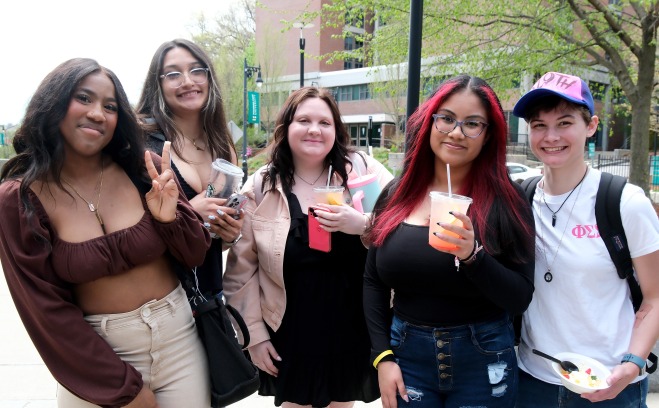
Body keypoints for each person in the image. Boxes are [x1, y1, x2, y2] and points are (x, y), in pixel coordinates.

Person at [0, 58, 212, 407]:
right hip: (95, 360)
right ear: (53, 103)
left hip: (180, 347)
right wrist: (123, 388)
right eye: (83, 98)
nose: (98, 113)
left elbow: (195, 254)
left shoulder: (143, 168)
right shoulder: (20, 200)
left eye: (110, 106)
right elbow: (45, 311)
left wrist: (169, 219)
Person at [363, 75, 536, 408]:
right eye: (446, 119)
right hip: (406, 354)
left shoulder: (507, 201)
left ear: (488, 136)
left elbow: (519, 298)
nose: (456, 132)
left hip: (484, 359)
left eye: (473, 124)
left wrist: (473, 256)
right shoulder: (396, 194)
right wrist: (382, 356)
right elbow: (373, 281)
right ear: (430, 122)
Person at [223, 86, 393, 407]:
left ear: (336, 130)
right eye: (303, 120)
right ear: (286, 128)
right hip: (291, 330)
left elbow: (398, 228)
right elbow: (240, 273)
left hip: (351, 326)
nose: (314, 129)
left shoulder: (361, 171)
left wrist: (362, 224)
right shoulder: (263, 185)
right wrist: (254, 336)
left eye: (324, 122)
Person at [513, 72, 659, 407]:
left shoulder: (624, 201)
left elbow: (655, 295)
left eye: (565, 123)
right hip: (533, 381)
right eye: (539, 125)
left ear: (590, 126)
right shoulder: (520, 199)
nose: (551, 136)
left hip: (610, 384)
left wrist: (632, 362)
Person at [137, 38, 243, 298]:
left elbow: (214, 239)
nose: (187, 81)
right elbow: (126, 232)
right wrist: (190, 211)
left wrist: (230, 234)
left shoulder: (223, 146)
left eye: (197, 70)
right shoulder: (143, 144)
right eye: (173, 74)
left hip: (210, 295)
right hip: (163, 301)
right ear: (158, 84)